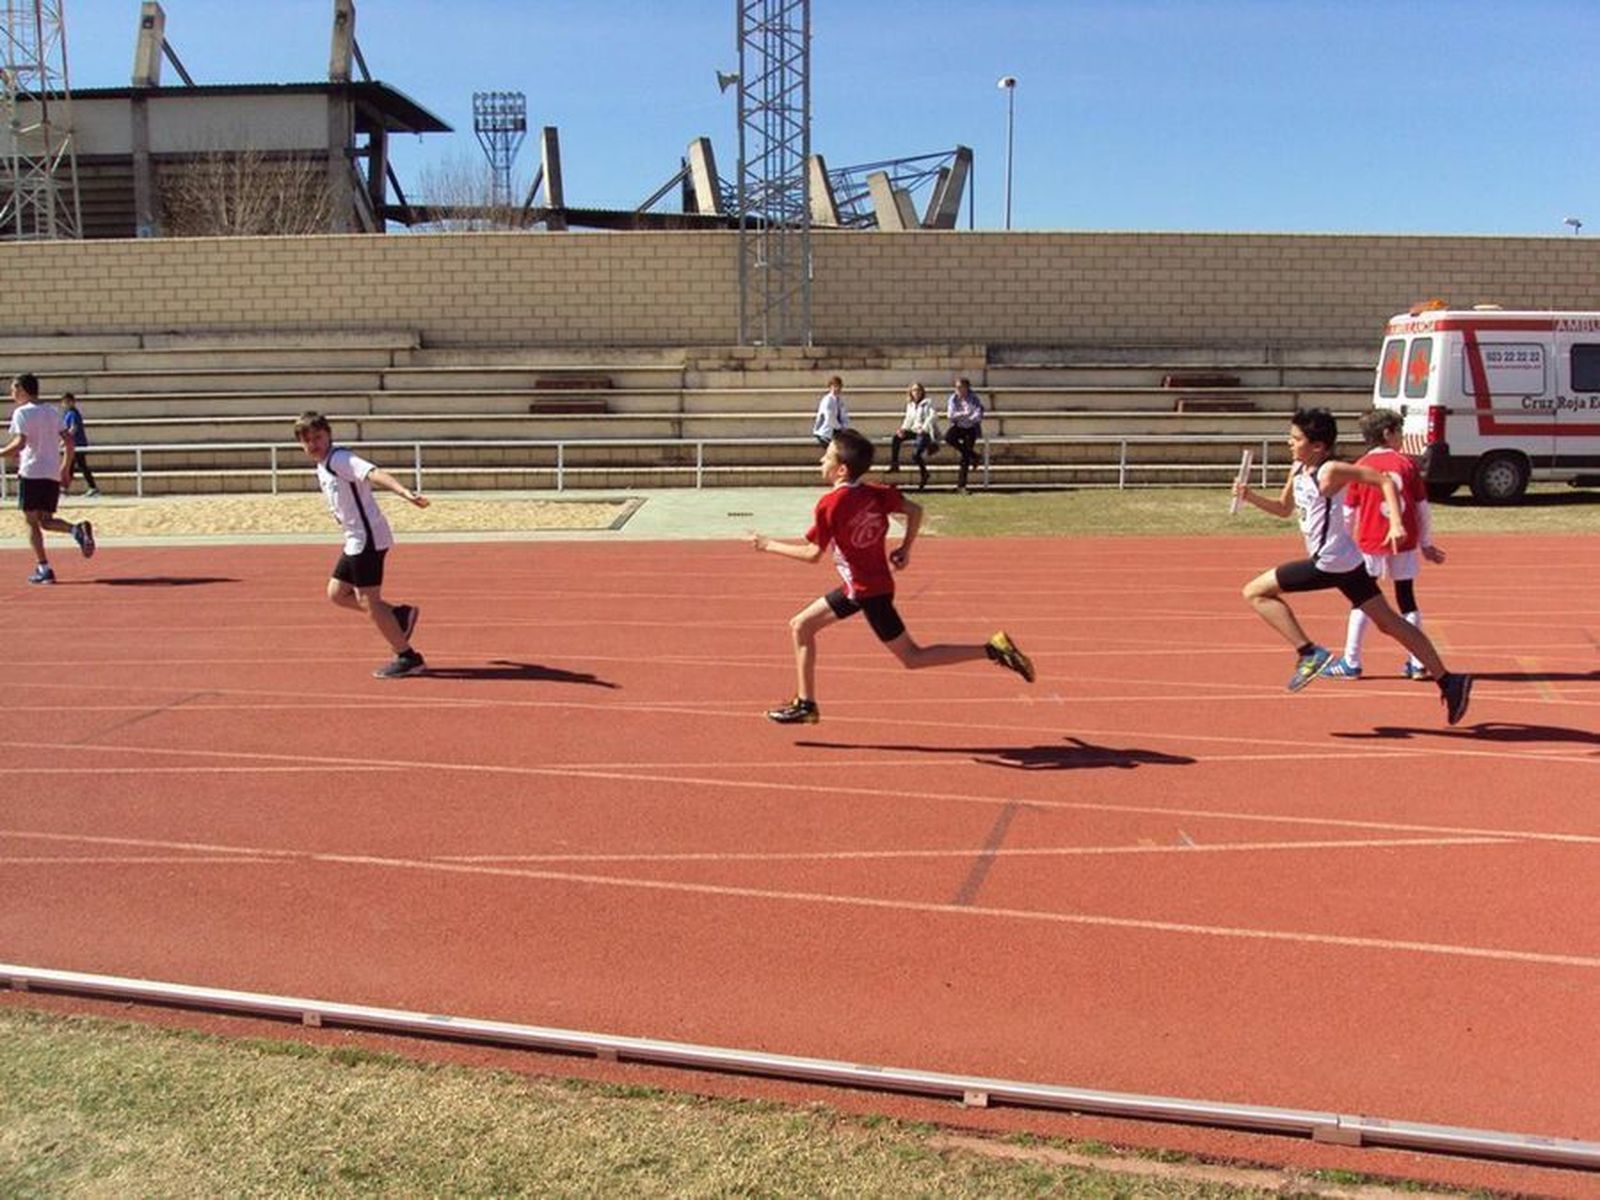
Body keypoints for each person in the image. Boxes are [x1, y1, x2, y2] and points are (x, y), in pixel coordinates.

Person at [750, 427, 1035, 724]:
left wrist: (768, 545)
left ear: (841, 469)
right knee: (801, 625)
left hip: (866, 592)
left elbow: (812, 554)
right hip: (864, 588)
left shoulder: (828, 505)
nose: (821, 460)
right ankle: (806, 704)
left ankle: (993, 650)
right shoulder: (876, 493)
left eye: (826, 456)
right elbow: (915, 510)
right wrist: (905, 548)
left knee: (912, 657)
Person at [1232, 407, 1471, 725]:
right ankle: (1449, 681)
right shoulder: (1299, 468)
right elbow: (1283, 509)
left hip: (1329, 563)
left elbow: (1384, 480)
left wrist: (1397, 524)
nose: (1289, 444)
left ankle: (1309, 652)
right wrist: (1250, 497)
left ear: (1317, 445)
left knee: (1256, 592)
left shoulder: (1330, 471)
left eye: (1295, 439)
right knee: (1388, 622)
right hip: (1348, 561)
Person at [293, 411, 430, 678]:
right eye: (307, 440)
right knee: (337, 593)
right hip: (354, 539)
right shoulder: (322, 464)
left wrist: (404, 493)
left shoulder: (340, 459)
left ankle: (407, 656)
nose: (313, 444)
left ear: (329, 435)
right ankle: (398, 616)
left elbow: (373, 473)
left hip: (367, 538)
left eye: (318, 437)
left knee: (368, 600)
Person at [1324, 407, 1443, 681]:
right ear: (1387, 433)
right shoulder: (1407, 464)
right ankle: (1417, 663)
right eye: (1399, 431)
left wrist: (1341, 541)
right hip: (1403, 539)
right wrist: (1426, 543)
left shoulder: (1359, 466)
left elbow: (1348, 511)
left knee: (1363, 599)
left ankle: (1351, 661)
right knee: (1406, 598)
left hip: (1369, 541)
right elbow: (1422, 507)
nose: (1402, 437)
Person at [2, 373, 94, 584]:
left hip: (32, 472)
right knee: (45, 520)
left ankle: (44, 567)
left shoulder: (21, 413)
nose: (12, 393)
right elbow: (69, 441)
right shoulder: (52, 412)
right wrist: (64, 468)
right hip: (50, 472)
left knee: (31, 522)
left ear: (23, 389)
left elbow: (20, 443)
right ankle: (75, 529)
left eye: (14, 389)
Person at [888, 381, 940, 489]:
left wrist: (924, 428)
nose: (916, 392)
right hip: (913, 430)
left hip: (924, 431)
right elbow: (908, 419)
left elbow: (933, 416)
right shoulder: (910, 405)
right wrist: (902, 429)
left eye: (918, 390)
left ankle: (924, 473)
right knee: (896, 438)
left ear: (922, 392)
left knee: (915, 455)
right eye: (914, 390)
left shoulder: (928, 403)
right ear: (911, 392)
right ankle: (894, 464)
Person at [944, 376, 985, 492]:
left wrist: (962, 415)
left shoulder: (974, 399)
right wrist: (966, 414)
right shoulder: (953, 398)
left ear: (967, 388)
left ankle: (961, 486)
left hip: (971, 428)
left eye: (961, 387)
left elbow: (977, 415)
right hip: (958, 426)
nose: (958, 390)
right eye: (957, 387)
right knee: (948, 438)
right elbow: (950, 415)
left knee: (965, 458)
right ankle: (974, 455)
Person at [60, 393, 99, 497]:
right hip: (73, 444)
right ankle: (65, 488)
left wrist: (65, 440)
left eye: (68, 402)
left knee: (79, 466)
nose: (66, 404)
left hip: (77, 444)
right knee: (73, 466)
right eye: (64, 402)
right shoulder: (68, 413)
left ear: (72, 402)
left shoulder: (73, 413)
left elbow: (73, 428)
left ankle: (92, 487)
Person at [812, 375, 850, 445]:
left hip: (836, 432)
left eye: (839, 386)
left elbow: (844, 417)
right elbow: (829, 418)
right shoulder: (827, 400)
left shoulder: (839, 401)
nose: (837, 389)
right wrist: (840, 427)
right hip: (824, 433)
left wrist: (845, 427)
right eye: (835, 386)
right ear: (830, 387)